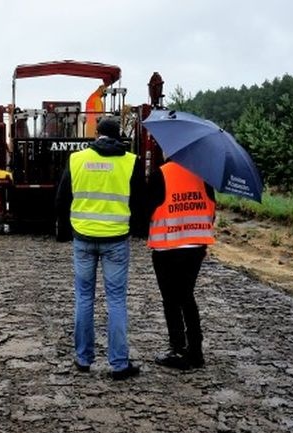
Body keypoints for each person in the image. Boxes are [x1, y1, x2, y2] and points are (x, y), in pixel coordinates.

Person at [55, 116, 146, 380]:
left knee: (84, 298)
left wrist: (64, 230)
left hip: (82, 238)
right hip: (116, 240)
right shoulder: (131, 162)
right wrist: (137, 231)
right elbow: (140, 203)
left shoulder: (77, 159)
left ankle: (83, 359)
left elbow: (61, 199)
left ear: (97, 134)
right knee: (116, 300)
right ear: (119, 136)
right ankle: (119, 364)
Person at [145, 159, 215, 370]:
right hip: (195, 245)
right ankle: (195, 349)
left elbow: (147, 208)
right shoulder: (203, 174)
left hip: (167, 246)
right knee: (187, 296)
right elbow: (211, 206)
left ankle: (177, 348)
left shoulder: (161, 174)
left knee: (171, 299)